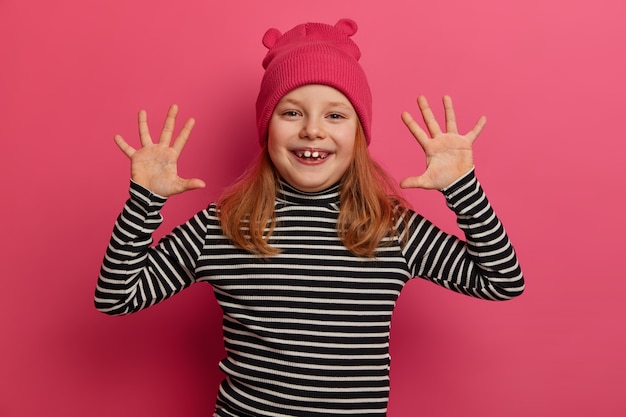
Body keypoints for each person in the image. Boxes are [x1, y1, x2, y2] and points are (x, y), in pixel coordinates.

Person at [95, 18, 524, 417]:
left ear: (358, 133)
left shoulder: (390, 227)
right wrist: (144, 201)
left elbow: (501, 280)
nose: (313, 130)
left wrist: (462, 190)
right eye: (292, 112)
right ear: (267, 129)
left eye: (335, 115)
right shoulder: (221, 225)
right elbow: (117, 296)